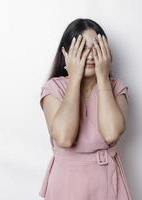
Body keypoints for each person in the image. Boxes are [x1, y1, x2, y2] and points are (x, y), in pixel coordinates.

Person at [39, 18, 132, 200]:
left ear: (106, 52)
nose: (89, 55)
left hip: (106, 182)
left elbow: (112, 133)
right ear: (65, 53)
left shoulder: (117, 88)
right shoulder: (53, 88)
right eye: (81, 48)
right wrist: (74, 78)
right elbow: (64, 138)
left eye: (96, 48)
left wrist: (103, 77)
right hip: (66, 183)